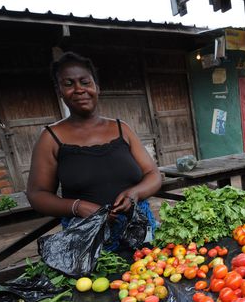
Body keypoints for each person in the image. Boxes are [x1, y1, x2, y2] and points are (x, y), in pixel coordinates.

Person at [26, 52, 162, 251]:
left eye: (85, 82)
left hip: (139, 232)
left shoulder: (121, 128)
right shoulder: (50, 138)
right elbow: (37, 195)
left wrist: (135, 193)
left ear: (97, 87)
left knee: (149, 281)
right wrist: (77, 206)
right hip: (88, 241)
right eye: (69, 83)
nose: (79, 89)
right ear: (59, 91)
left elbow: (153, 174)